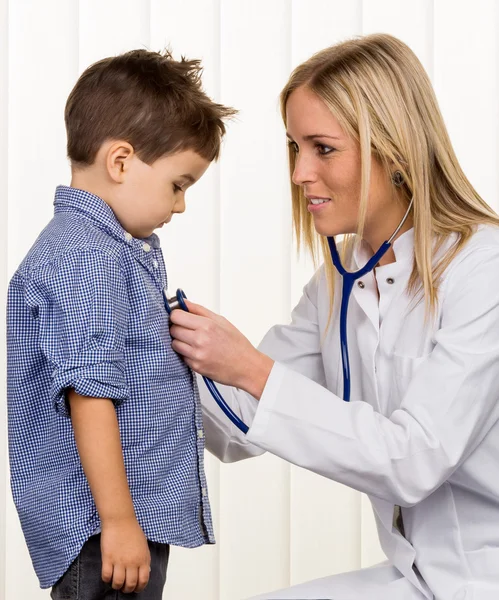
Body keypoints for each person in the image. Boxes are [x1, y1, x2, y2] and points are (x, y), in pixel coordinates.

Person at [169, 34, 499, 600]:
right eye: (295, 147)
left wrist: (251, 368)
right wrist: (136, 354)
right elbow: (237, 429)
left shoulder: (483, 272)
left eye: (322, 148)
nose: (299, 174)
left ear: (392, 150)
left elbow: (413, 460)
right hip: (419, 577)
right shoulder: (337, 283)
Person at [6, 49, 235, 599]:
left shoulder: (105, 252)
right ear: (121, 161)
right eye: (178, 184)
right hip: (103, 526)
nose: (179, 206)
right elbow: (89, 393)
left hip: (118, 520)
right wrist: (119, 521)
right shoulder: (86, 258)